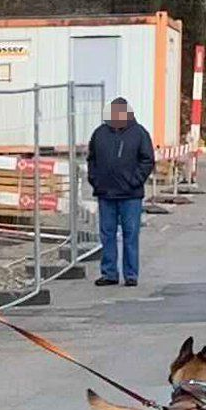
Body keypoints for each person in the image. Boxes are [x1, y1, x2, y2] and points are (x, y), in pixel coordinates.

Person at [87, 96, 155, 287]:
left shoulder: (139, 133)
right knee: (107, 235)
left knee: (130, 235)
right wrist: (95, 180)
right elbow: (91, 159)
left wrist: (135, 181)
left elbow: (147, 160)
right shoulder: (100, 133)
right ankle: (109, 273)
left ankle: (131, 274)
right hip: (105, 193)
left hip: (130, 195)